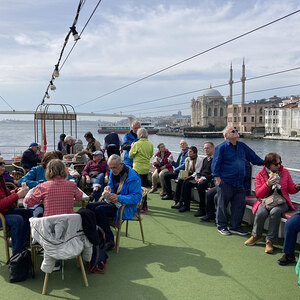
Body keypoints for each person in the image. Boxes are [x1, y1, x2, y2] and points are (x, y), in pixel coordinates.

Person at [212, 126, 264, 236]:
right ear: (226, 136)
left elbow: (254, 158)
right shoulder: (221, 148)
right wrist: (218, 179)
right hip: (226, 181)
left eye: (236, 130)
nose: (236, 132)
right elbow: (216, 163)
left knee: (239, 205)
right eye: (233, 131)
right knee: (222, 204)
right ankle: (221, 226)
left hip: (240, 182)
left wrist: (267, 162)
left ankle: (235, 227)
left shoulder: (242, 146)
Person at [244, 153, 300, 253]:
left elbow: (290, 189)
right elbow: (259, 194)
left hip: (281, 201)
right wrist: (267, 184)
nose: (279, 166)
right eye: (276, 164)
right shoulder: (260, 174)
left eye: (280, 163)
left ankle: (270, 240)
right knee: (261, 212)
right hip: (265, 200)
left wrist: (296, 187)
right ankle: (256, 236)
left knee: (275, 212)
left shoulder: (285, 172)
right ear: (268, 164)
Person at [86, 154, 142, 251]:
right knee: (89, 207)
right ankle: (98, 235)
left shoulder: (133, 177)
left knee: (99, 210)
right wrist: (108, 188)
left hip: (124, 206)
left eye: (114, 168)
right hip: (113, 202)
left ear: (121, 164)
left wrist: (119, 197)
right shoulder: (113, 171)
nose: (112, 170)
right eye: (110, 168)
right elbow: (111, 185)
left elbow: (137, 197)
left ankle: (109, 240)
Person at [0, 156, 31, 255]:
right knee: (18, 220)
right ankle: (16, 254)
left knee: (28, 213)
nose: (3, 165)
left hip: (4, 211)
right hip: (1, 214)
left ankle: (21, 243)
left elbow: (7, 194)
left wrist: (17, 191)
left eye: (3, 163)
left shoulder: (1, 179)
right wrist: (17, 195)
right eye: (1, 164)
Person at [129, 127, 153, 213]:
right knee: (144, 188)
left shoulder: (136, 144)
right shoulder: (150, 144)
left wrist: (132, 147)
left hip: (137, 168)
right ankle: (144, 206)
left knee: (136, 188)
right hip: (146, 168)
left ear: (139, 135)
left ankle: (137, 206)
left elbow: (130, 155)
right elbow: (151, 155)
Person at [171, 146, 203, 212]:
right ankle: (177, 200)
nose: (188, 153)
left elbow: (198, 171)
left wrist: (189, 177)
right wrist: (184, 175)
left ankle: (184, 203)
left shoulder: (199, 160)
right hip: (189, 175)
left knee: (186, 183)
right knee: (180, 181)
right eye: (188, 151)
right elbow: (186, 169)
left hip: (196, 176)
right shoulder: (187, 159)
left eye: (190, 151)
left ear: (195, 153)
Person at [194, 142, 215, 217]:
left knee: (200, 186)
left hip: (210, 180)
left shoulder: (215, 160)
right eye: (205, 148)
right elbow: (202, 170)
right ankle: (183, 203)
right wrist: (198, 176)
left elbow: (214, 173)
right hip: (202, 178)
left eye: (208, 148)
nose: (206, 150)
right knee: (187, 182)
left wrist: (203, 178)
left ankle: (202, 208)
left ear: (213, 148)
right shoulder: (205, 159)